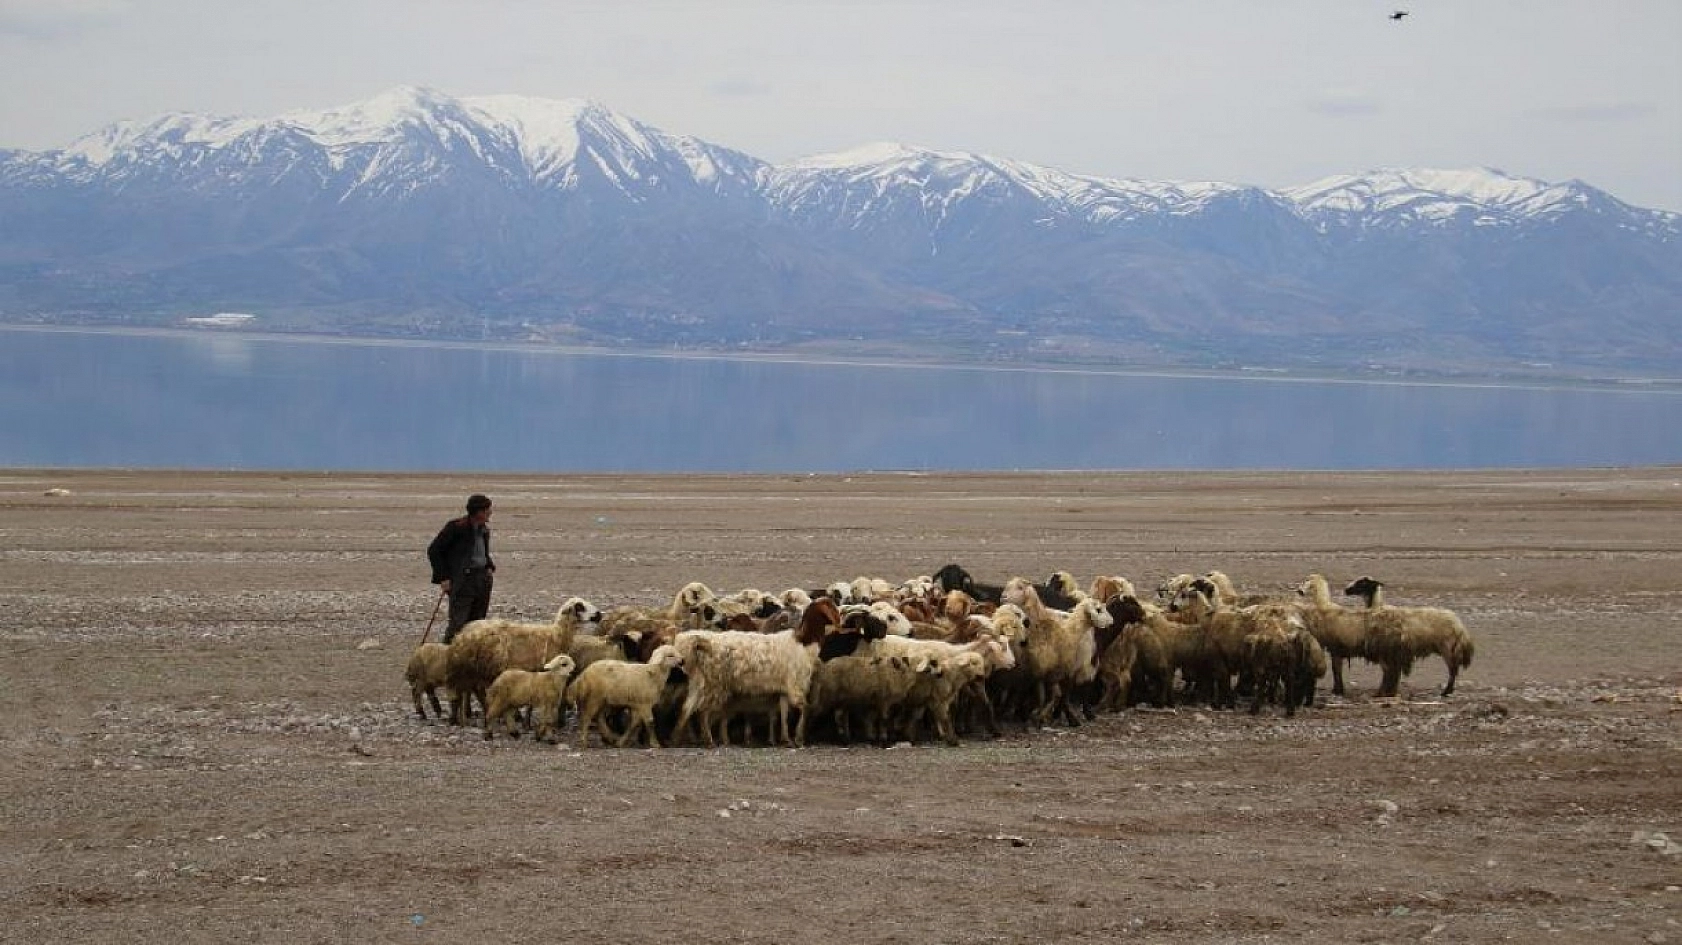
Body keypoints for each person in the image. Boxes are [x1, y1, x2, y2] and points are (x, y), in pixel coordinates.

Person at [427, 494, 495, 643]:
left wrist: (489, 566)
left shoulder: (484, 530)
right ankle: (447, 658)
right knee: (458, 625)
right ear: (479, 511)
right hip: (463, 581)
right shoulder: (456, 527)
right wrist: (443, 577)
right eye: (487, 510)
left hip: (482, 580)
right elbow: (434, 550)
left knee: (477, 625)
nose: (490, 512)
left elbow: (481, 552)